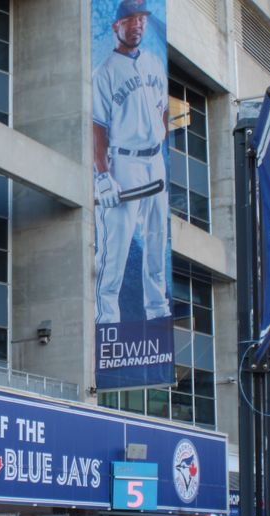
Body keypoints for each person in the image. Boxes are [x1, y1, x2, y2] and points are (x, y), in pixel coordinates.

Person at [92, 0, 170, 328]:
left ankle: (157, 309)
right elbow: (96, 126)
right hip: (124, 162)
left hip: (155, 160)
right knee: (116, 247)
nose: (137, 24)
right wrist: (103, 175)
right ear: (117, 26)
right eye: (130, 19)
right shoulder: (104, 72)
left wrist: (161, 131)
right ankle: (107, 318)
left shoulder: (154, 61)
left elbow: (164, 106)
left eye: (141, 18)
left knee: (157, 239)